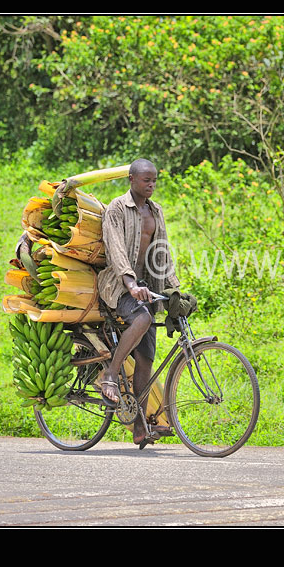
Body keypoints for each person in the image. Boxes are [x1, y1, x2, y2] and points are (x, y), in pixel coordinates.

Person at [96, 158, 180, 448]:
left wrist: (175, 289)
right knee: (142, 319)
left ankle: (140, 427)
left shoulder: (155, 211)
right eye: (146, 180)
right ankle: (110, 374)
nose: (151, 185)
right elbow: (115, 248)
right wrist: (130, 283)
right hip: (117, 286)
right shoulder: (117, 209)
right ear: (131, 179)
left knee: (146, 358)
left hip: (146, 289)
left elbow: (162, 251)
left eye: (154, 180)